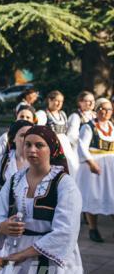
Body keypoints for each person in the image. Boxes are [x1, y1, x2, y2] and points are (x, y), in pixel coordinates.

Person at [0, 126, 85, 274]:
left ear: (52, 149)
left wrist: (23, 254)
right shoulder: (15, 181)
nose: (32, 150)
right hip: (19, 261)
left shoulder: (65, 185)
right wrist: (3, 226)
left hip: (52, 262)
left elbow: (66, 232)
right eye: (28, 144)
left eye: (39, 145)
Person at [76, 97, 114, 243]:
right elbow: (81, 146)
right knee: (93, 196)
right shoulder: (88, 127)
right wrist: (91, 163)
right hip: (94, 167)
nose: (106, 112)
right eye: (102, 109)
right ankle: (93, 229)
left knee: (111, 196)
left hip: (110, 168)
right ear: (97, 110)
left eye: (109, 109)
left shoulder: (111, 126)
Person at [35, 91, 79, 175]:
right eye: (56, 100)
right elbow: (37, 130)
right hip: (52, 145)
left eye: (61, 101)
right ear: (49, 100)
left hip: (65, 145)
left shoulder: (62, 114)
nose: (59, 103)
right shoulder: (43, 114)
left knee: (70, 165)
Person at [0, 120, 34, 195]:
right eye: (22, 135)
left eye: (30, 135)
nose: (27, 139)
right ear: (13, 138)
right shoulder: (1, 162)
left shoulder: (40, 162)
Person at [66, 90, 96, 156]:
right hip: (80, 151)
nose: (91, 103)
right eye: (88, 101)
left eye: (93, 100)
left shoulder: (95, 115)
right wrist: (84, 147)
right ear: (80, 102)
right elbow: (71, 136)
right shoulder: (75, 116)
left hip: (95, 151)